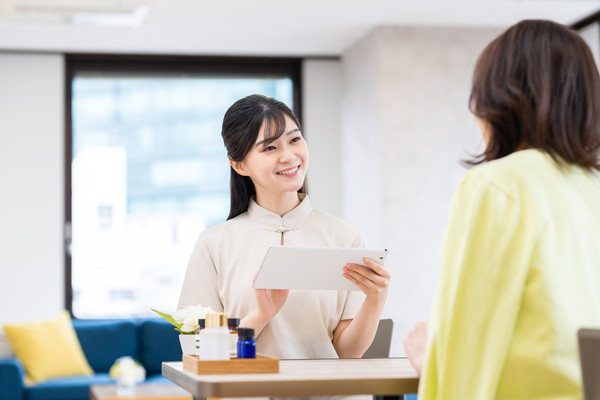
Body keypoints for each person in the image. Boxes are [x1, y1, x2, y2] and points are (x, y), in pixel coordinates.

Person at [403, 19, 600, 399]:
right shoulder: (592, 185)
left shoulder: (498, 185)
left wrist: (429, 360)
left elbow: (470, 341)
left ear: (496, 99)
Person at [179, 94, 391, 360]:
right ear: (239, 164)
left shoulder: (346, 236)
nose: (289, 156)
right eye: (269, 148)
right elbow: (198, 352)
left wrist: (375, 299)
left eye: (294, 139)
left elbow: (347, 352)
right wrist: (262, 314)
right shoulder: (214, 243)